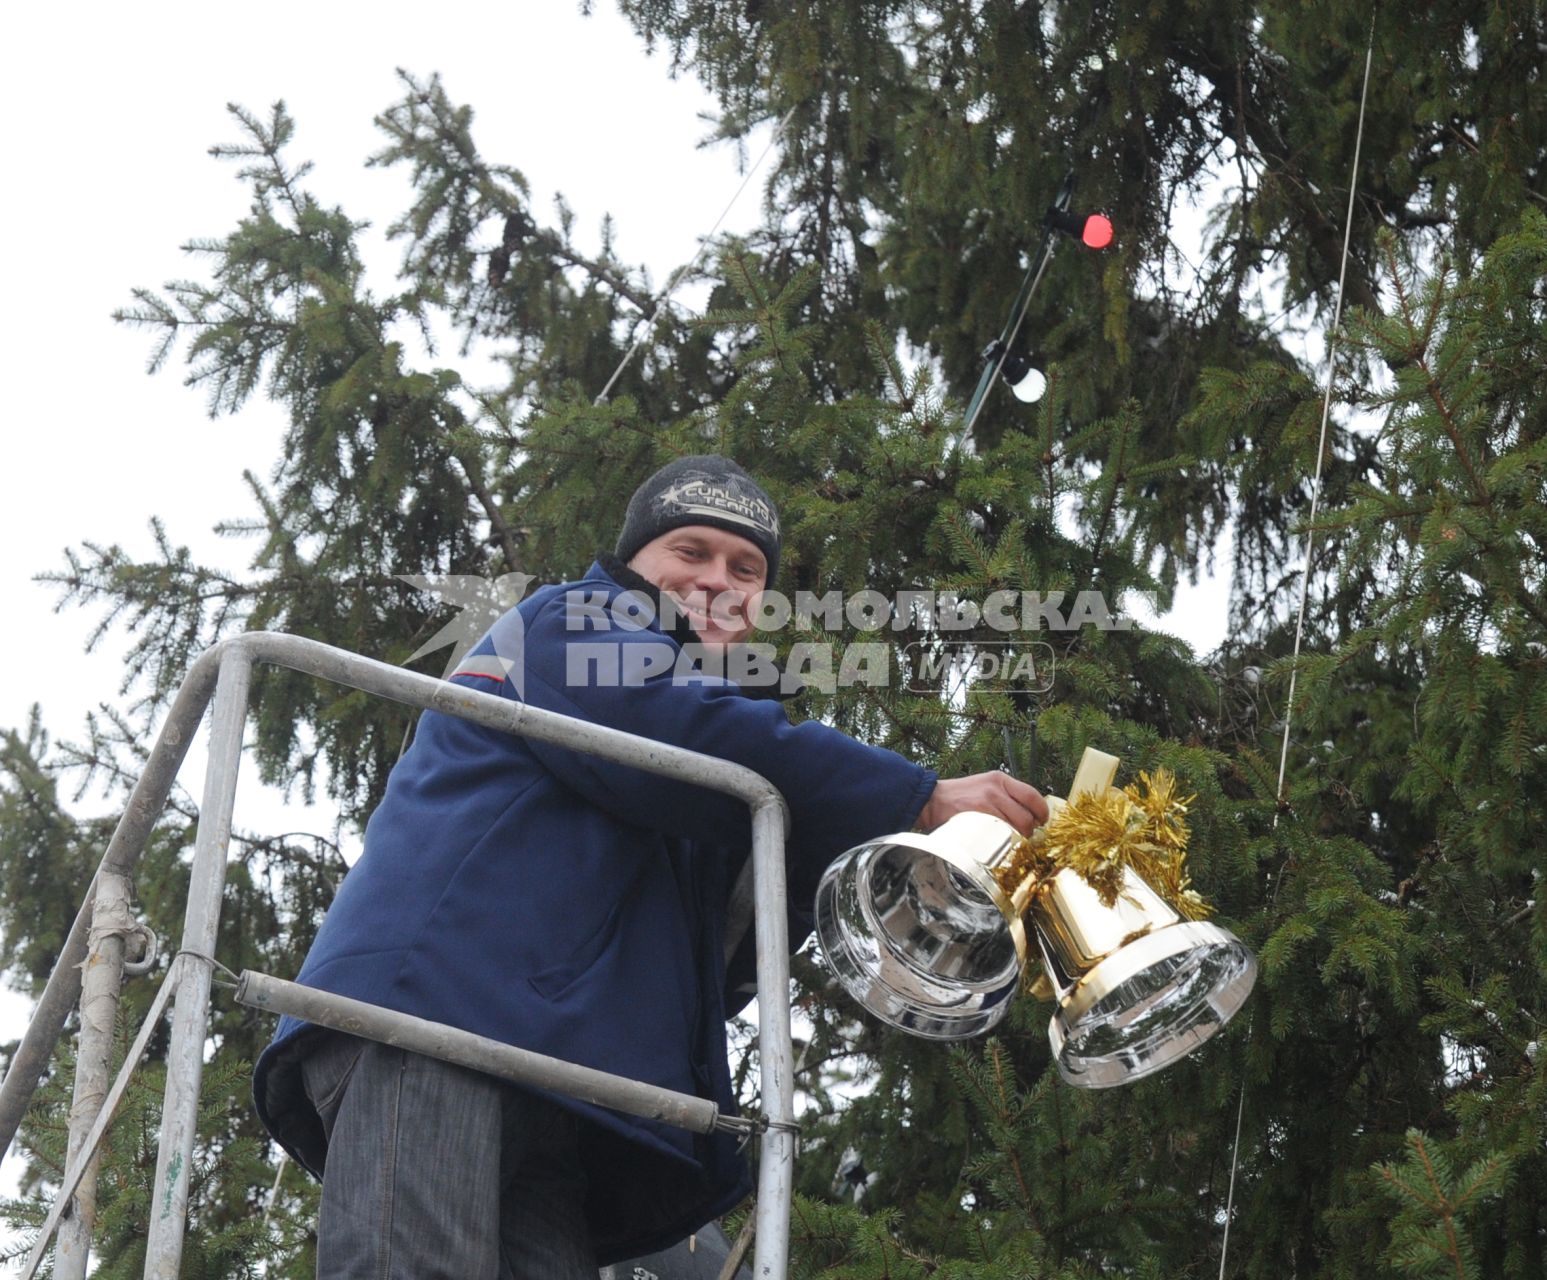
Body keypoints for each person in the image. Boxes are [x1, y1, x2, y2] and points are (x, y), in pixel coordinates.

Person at [253, 455, 1047, 1279]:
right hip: (436, 1024)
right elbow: (674, 729)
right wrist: (913, 796)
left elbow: (726, 963)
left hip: (556, 1082)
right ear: (635, 562)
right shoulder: (569, 624)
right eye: (689, 551)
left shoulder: (707, 773)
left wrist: (899, 866)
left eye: (745, 569)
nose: (716, 579)